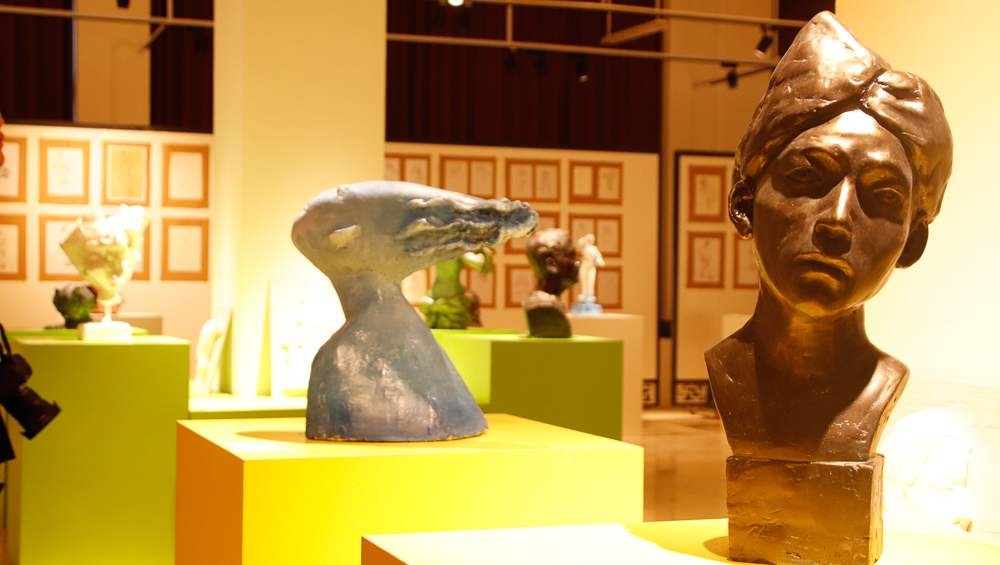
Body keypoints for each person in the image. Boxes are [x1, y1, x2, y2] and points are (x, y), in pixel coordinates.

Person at [705, 11, 953, 463]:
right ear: (743, 204)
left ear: (913, 242)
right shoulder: (727, 372)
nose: (837, 221)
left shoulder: (885, 385)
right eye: (807, 177)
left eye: (882, 196)